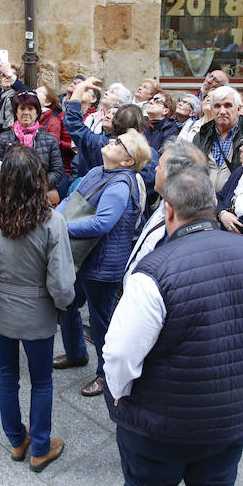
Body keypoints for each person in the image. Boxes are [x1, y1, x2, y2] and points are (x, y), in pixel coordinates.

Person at [103, 168, 243, 486]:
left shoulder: (152, 273)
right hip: (236, 414)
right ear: (213, 204)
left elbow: (120, 356)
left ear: (168, 209)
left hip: (161, 425)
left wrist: (121, 395)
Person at [0, 146, 76, 472]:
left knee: (7, 378)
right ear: (38, 180)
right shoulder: (52, 221)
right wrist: (62, 307)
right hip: (37, 313)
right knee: (42, 382)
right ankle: (41, 448)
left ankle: (17, 441)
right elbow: (61, 284)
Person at [55, 129, 151, 397]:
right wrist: (55, 217)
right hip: (83, 258)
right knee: (68, 305)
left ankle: (105, 375)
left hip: (103, 265)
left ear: (128, 161)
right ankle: (76, 354)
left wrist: (60, 227)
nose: (111, 140)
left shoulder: (121, 183)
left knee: (101, 322)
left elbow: (101, 224)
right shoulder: (98, 172)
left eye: (119, 143)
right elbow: (69, 201)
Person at [123, 139, 206, 283]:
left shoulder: (181, 223)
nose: (155, 169)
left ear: (172, 176)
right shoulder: (164, 204)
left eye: (160, 166)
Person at [0, 90, 65, 195]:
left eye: (31, 109)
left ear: (37, 112)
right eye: (22, 108)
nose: (26, 112)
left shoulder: (49, 140)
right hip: (10, 195)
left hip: (40, 195)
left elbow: (57, 172)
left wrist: (38, 186)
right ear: (16, 112)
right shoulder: (3, 139)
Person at [192, 85, 243, 193]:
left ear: (239, 109)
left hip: (234, 202)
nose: (222, 111)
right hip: (202, 201)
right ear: (212, 110)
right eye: (217, 106)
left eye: (228, 105)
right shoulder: (201, 136)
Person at [0, 61, 29, 132]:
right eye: (4, 75)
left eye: (11, 74)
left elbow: (30, 95)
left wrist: (10, 75)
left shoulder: (20, 93)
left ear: (17, 78)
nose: (7, 77)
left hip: (16, 133)